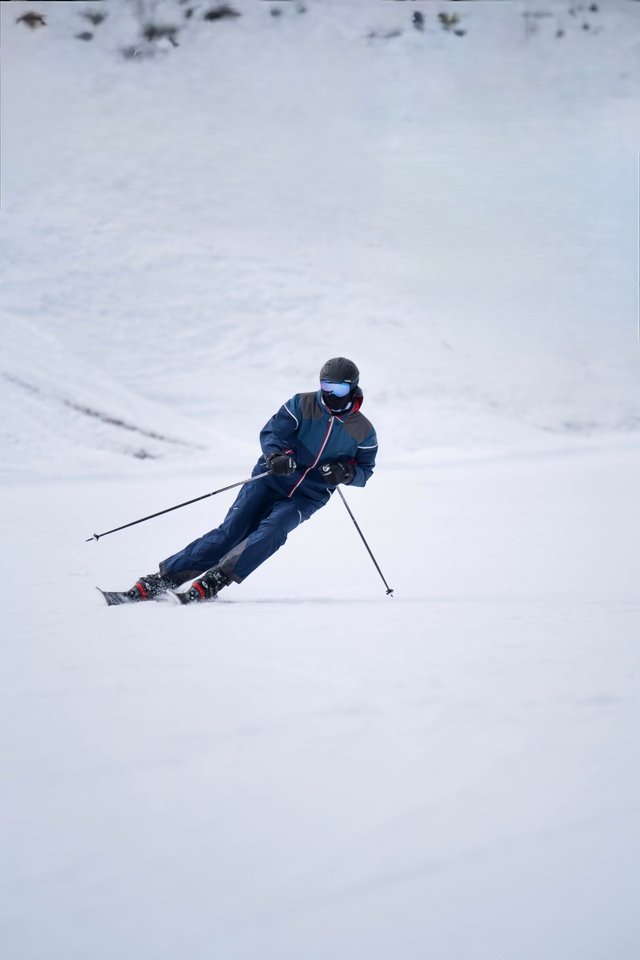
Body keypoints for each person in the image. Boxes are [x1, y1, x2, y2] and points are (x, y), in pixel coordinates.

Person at [110, 357, 378, 605]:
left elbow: (365, 470)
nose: (330, 393)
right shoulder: (301, 403)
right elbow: (274, 432)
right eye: (325, 385)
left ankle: (215, 580)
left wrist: (346, 473)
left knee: (273, 531)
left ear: (352, 389)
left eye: (339, 389)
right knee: (232, 532)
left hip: (308, 495)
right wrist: (276, 456)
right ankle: (161, 580)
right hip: (270, 479)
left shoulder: (363, 430)